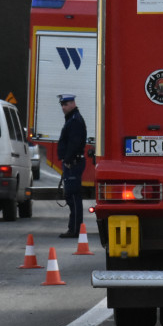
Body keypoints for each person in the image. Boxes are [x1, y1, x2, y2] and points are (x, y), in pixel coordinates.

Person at [56, 94, 87, 238]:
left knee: (74, 197)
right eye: (62, 105)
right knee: (71, 197)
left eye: (66, 104)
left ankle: (75, 230)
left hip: (73, 163)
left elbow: (74, 143)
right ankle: (74, 228)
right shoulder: (72, 119)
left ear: (73, 103)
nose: (63, 107)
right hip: (72, 163)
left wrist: (68, 160)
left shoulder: (74, 121)